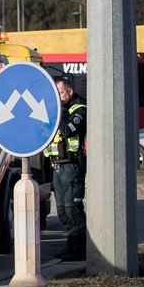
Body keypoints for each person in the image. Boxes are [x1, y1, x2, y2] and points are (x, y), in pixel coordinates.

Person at [44, 76, 87, 261]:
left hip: (71, 166)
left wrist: (59, 112)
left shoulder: (79, 109)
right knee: (61, 211)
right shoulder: (57, 110)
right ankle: (70, 247)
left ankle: (80, 250)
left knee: (73, 209)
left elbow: (68, 130)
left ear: (69, 91)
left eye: (60, 92)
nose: (57, 96)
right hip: (57, 166)